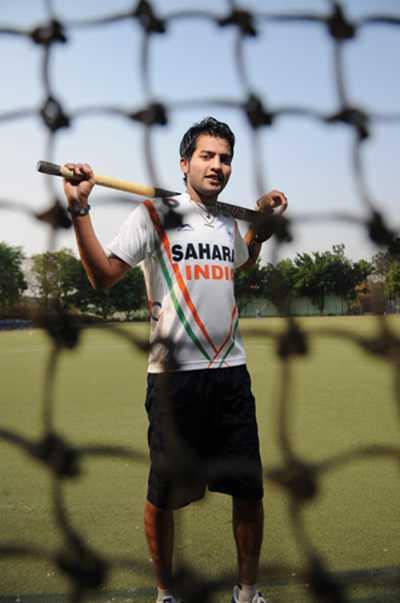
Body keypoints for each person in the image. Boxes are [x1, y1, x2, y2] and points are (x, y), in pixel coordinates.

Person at [62, 117, 288, 603]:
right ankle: (166, 594)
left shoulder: (228, 221)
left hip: (231, 374)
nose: (218, 165)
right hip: (174, 382)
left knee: (249, 491)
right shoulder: (153, 214)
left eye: (225, 158)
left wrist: (261, 230)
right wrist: (81, 209)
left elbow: (241, 261)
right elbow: (102, 276)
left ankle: (247, 594)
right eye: (207, 156)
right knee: (164, 496)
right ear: (185, 163)